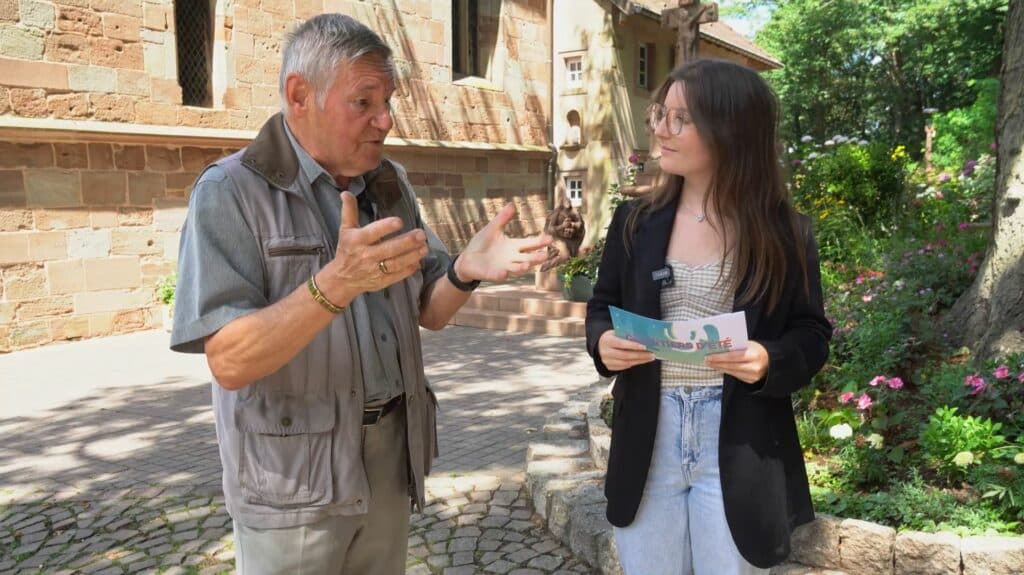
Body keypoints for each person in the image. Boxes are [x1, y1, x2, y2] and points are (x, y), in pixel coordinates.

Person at [170, 13, 550, 575]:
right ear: (299, 94)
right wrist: (335, 284)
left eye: (388, 100)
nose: (385, 120)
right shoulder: (231, 192)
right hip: (293, 481)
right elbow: (229, 360)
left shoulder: (387, 183)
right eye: (364, 102)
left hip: (388, 462)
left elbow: (429, 309)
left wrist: (466, 272)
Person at [584, 59, 832, 574]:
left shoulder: (785, 232)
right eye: (660, 114)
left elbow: (812, 334)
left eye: (680, 119)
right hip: (649, 435)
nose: (659, 129)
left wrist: (768, 358)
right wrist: (603, 342)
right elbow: (601, 307)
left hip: (740, 437)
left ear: (730, 130)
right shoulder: (635, 222)